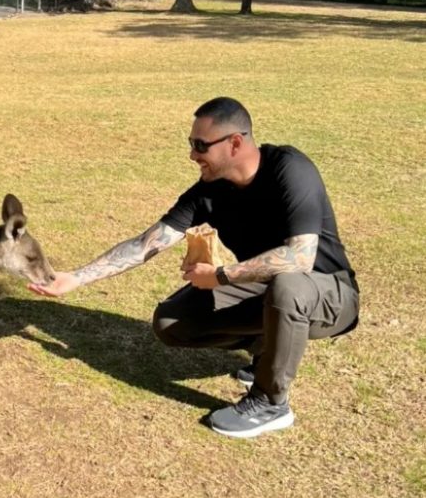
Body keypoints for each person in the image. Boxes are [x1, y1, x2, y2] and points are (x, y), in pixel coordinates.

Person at [29, 97, 359, 439]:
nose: (192, 154)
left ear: (235, 143)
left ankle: (271, 402)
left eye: (200, 145)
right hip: (270, 288)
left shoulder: (290, 169)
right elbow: (146, 244)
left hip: (329, 293)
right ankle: (267, 348)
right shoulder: (208, 193)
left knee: (287, 286)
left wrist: (220, 275)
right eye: (191, 144)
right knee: (172, 322)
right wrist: (76, 278)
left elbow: (300, 258)